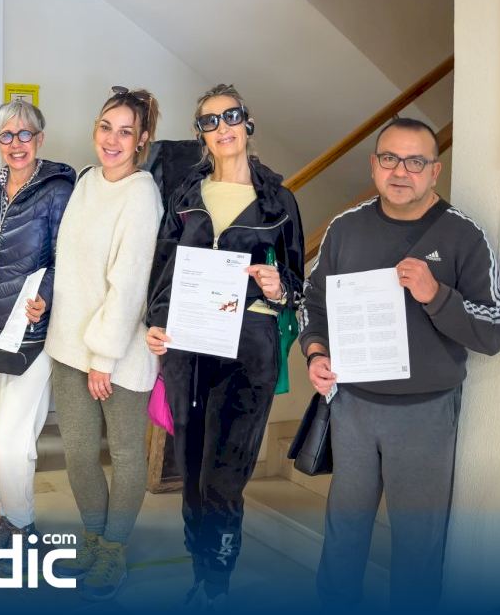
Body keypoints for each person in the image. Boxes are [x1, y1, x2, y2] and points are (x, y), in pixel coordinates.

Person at [301, 117, 500, 610]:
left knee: (418, 545)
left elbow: (496, 329)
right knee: (343, 535)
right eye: (390, 159)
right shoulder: (345, 228)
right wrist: (316, 352)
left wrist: (436, 295)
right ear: (373, 165)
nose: (401, 171)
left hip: (424, 415)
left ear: (435, 171)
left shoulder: (463, 236)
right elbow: (314, 301)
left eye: (415, 162)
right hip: (352, 407)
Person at [144, 84, 305, 607]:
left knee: (224, 477)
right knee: (191, 472)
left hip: (249, 349)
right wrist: (155, 323)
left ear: (247, 122)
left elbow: (297, 283)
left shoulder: (278, 201)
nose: (222, 128)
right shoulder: (185, 196)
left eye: (230, 116)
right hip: (188, 347)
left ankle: (217, 582)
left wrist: (279, 288)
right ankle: (200, 569)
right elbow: (164, 270)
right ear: (201, 134)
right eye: (210, 121)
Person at [45, 87, 163, 599]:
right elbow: (72, 266)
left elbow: (128, 284)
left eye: (125, 132)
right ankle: (93, 538)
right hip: (69, 345)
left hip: (118, 354)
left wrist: (103, 358)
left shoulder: (141, 194)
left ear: (142, 140)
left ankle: (113, 548)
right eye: (106, 127)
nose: (113, 140)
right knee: (77, 454)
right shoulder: (87, 180)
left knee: (126, 455)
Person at [0, 99, 74, 554]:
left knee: (13, 438)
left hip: (31, 331)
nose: (16, 144)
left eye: (25, 134)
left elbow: (67, 256)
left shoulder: (58, 190)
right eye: (6, 135)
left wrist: (45, 296)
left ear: (40, 138)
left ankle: (21, 526)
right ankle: (9, 516)